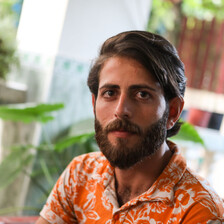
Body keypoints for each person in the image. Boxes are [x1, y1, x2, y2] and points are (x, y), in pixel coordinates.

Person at [36, 31, 224, 224]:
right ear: (94, 103)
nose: (121, 110)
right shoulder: (81, 173)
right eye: (109, 93)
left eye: (142, 94)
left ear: (173, 111)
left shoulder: (199, 211)